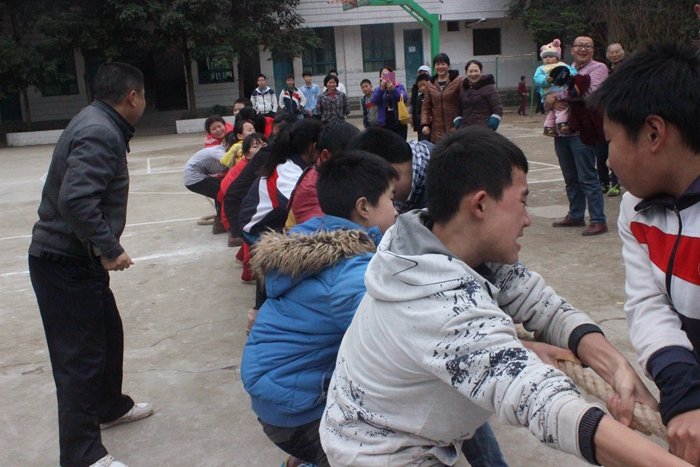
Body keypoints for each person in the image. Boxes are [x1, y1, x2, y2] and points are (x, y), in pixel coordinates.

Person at [319, 127, 684, 467]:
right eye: (522, 202)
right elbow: (542, 402)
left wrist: (617, 368)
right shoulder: (435, 299)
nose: (528, 219)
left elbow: (545, 307)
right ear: (479, 205)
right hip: (378, 455)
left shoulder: (443, 242)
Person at [28, 62, 153, 467]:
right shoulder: (101, 131)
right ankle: (81, 454)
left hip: (75, 259)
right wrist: (109, 248)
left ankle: (108, 406)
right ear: (132, 97)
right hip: (63, 262)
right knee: (79, 360)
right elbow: (76, 199)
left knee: (108, 335)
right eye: (143, 95)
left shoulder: (98, 121)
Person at [242, 150, 398, 467]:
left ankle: (303, 458)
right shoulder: (351, 272)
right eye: (392, 200)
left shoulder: (314, 235)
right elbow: (391, 342)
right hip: (298, 411)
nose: (397, 211)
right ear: (364, 208)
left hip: (277, 394)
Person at [589, 42, 700, 467]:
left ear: (654, 133)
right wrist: (684, 395)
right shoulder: (635, 209)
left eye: (610, 141)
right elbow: (648, 303)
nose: (608, 160)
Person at [239, 118, 324, 335]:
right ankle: (259, 316)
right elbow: (303, 211)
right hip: (256, 227)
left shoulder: (298, 164)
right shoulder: (289, 171)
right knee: (283, 256)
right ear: (313, 147)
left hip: (272, 222)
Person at [547, 35, 608, 236]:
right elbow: (548, 97)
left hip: (582, 131)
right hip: (561, 132)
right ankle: (576, 214)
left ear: (593, 50)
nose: (583, 49)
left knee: (587, 176)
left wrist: (558, 96)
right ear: (571, 49)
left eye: (588, 46)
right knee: (570, 177)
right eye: (579, 46)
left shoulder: (598, 68)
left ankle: (598, 220)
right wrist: (550, 100)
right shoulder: (565, 69)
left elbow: (590, 93)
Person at [286, 120, 360, 229]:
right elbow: (327, 233)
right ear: (325, 156)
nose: (356, 165)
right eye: (348, 160)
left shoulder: (333, 177)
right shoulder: (311, 189)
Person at [184, 132, 235, 235]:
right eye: (233, 145)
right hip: (194, 178)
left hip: (199, 176)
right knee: (224, 193)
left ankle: (220, 223)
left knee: (222, 189)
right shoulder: (219, 152)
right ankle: (224, 225)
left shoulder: (224, 151)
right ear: (225, 143)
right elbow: (232, 163)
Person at [533, 40, 578, 136]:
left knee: (553, 112)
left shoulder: (563, 66)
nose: (547, 59)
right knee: (562, 108)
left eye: (550, 56)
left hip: (561, 92)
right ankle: (562, 123)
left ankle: (548, 127)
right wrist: (546, 79)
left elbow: (573, 72)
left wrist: (571, 76)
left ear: (557, 58)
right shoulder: (541, 68)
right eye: (545, 57)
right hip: (547, 94)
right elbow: (537, 78)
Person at [421, 53, 463, 143]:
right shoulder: (430, 84)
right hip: (437, 131)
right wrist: (425, 124)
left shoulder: (458, 80)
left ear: (448, 65)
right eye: (437, 64)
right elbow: (426, 107)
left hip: (455, 127)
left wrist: (460, 123)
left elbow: (464, 102)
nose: (440, 67)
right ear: (434, 67)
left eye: (443, 64)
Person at [454, 59, 503, 131]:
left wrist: (491, 125)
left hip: (483, 130)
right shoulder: (463, 89)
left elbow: (497, 109)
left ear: (481, 72)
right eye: (470, 71)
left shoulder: (489, 88)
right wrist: (458, 122)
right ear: (466, 73)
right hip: (465, 130)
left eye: (476, 71)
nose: (473, 74)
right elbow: (458, 110)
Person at [371, 66, 409, 139]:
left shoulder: (399, 87)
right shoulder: (378, 89)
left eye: (387, 73)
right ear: (380, 77)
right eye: (383, 74)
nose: (385, 76)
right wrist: (382, 89)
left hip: (399, 122)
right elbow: (374, 101)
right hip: (384, 123)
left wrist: (393, 89)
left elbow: (404, 99)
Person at [411, 73, 431, 141]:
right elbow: (417, 113)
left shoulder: (434, 96)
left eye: (424, 85)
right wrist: (424, 118)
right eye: (420, 86)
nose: (422, 88)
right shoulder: (419, 98)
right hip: (423, 127)